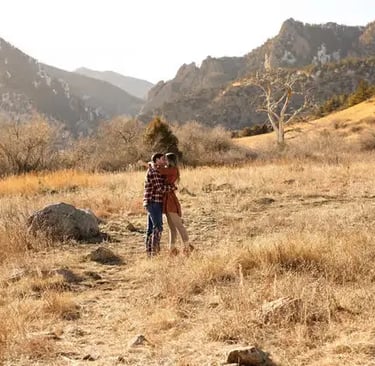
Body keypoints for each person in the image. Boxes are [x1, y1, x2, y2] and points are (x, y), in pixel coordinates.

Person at [157, 152, 193, 256]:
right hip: (167, 199)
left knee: (179, 225)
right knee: (172, 227)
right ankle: (172, 249)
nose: (164, 161)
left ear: (170, 160)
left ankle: (187, 247)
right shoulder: (170, 169)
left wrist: (148, 164)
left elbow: (158, 170)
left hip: (170, 200)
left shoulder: (172, 170)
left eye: (165, 159)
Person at [143, 153, 176, 257]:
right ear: (157, 160)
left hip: (153, 202)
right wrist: (172, 188)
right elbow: (160, 189)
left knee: (151, 228)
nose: (164, 161)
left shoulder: (155, 169)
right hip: (153, 201)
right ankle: (155, 252)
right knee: (158, 227)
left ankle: (150, 253)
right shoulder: (154, 172)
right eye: (162, 159)